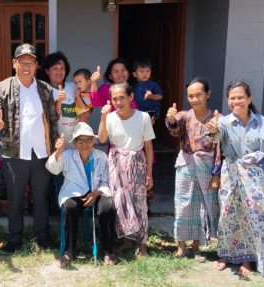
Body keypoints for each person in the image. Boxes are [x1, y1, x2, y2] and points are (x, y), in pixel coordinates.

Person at [0, 43, 58, 254]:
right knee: (15, 197)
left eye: (31, 62)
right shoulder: (3, 87)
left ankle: (42, 236)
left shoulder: (45, 89)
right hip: (15, 152)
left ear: (36, 65)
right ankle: (14, 238)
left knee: (41, 196)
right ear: (14, 63)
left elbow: (53, 119)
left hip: (41, 152)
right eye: (22, 62)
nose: (26, 66)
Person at [208, 80, 264, 278]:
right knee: (228, 215)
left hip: (256, 176)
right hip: (231, 174)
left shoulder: (262, 122)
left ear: (249, 99)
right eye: (232, 98)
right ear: (227, 100)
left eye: (240, 97)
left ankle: (248, 258)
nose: (236, 101)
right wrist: (212, 129)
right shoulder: (224, 122)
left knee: (254, 216)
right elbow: (214, 138)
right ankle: (225, 255)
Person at [166, 78, 221, 262]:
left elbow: (219, 146)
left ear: (208, 94)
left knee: (201, 207)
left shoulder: (216, 119)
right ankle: (181, 246)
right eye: (190, 96)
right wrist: (171, 119)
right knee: (182, 203)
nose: (195, 99)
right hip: (186, 163)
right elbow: (173, 130)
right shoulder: (184, 116)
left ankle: (197, 247)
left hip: (206, 165)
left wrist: (216, 174)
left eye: (198, 95)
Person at [97, 82, 155, 257]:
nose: (118, 102)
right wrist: (103, 117)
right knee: (120, 202)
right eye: (114, 98)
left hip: (137, 164)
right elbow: (101, 138)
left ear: (131, 98)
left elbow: (149, 147)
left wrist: (149, 174)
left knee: (139, 203)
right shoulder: (111, 117)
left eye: (122, 97)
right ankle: (125, 240)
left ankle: (142, 244)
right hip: (116, 164)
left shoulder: (143, 117)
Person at [46, 123, 116, 267]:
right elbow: (52, 169)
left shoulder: (101, 156)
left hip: (97, 192)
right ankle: (69, 251)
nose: (84, 144)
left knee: (107, 207)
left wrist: (96, 193)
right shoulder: (67, 156)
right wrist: (57, 152)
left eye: (88, 140)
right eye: (80, 140)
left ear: (93, 142)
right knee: (69, 207)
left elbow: (106, 180)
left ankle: (108, 250)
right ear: (75, 143)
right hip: (74, 193)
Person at [43, 52, 91, 148]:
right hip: (57, 144)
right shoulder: (44, 91)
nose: (59, 72)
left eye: (62, 68)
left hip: (77, 142)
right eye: (55, 69)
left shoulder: (74, 86)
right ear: (47, 71)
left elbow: (86, 110)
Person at [132, 58, 163, 125]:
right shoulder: (133, 86)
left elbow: (160, 96)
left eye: (147, 71)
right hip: (139, 112)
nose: (145, 74)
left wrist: (151, 96)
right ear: (135, 74)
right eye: (141, 71)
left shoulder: (152, 84)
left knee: (148, 129)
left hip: (152, 111)